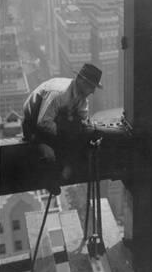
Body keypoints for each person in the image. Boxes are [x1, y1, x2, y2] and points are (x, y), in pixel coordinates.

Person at [22, 63, 103, 194]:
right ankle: (51, 180)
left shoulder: (81, 98)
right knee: (50, 155)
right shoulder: (59, 94)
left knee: (76, 143)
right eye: (91, 87)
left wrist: (85, 129)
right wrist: (67, 134)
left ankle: (64, 171)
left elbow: (82, 120)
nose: (93, 91)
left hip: (56, 124)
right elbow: (43, 122)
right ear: (81, 81)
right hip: (34, 126)